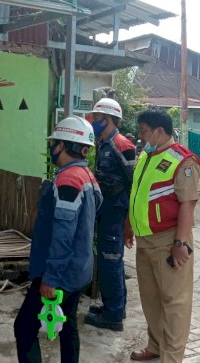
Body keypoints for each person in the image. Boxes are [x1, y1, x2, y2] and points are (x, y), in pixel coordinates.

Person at [0, 116, 102, 363]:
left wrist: (51, 278)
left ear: (64, 145)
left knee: (25, 326)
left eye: (54, 143)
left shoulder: (68, 179)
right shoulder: (87, 176)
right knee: (67, 324)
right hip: (79, 269)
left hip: (59, 272)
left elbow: (63, 234)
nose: (52, 147)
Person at [124, 108, 200, 363]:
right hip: (145, 241)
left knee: (174, 302)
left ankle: (171, 362)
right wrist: (129, 224)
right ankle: (155, 346)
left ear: (159, 131)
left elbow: (188, 204)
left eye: (144, 131)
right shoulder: (147, 155)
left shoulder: (183, 161)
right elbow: (138, 194)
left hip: (170, 242)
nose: (140, 136)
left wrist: (180, 243)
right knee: (151, 299)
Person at [84, 97, 136, 332]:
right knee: (109, 261)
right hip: (106, 212)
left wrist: (129, 222)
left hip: (116, 213)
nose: (92, 121)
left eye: (96, 118)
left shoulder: (121, 144)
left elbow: (134, 183)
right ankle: (113, 306)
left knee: (111, 260)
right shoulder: (103, 142)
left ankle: (113, 315)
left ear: (107, 119)